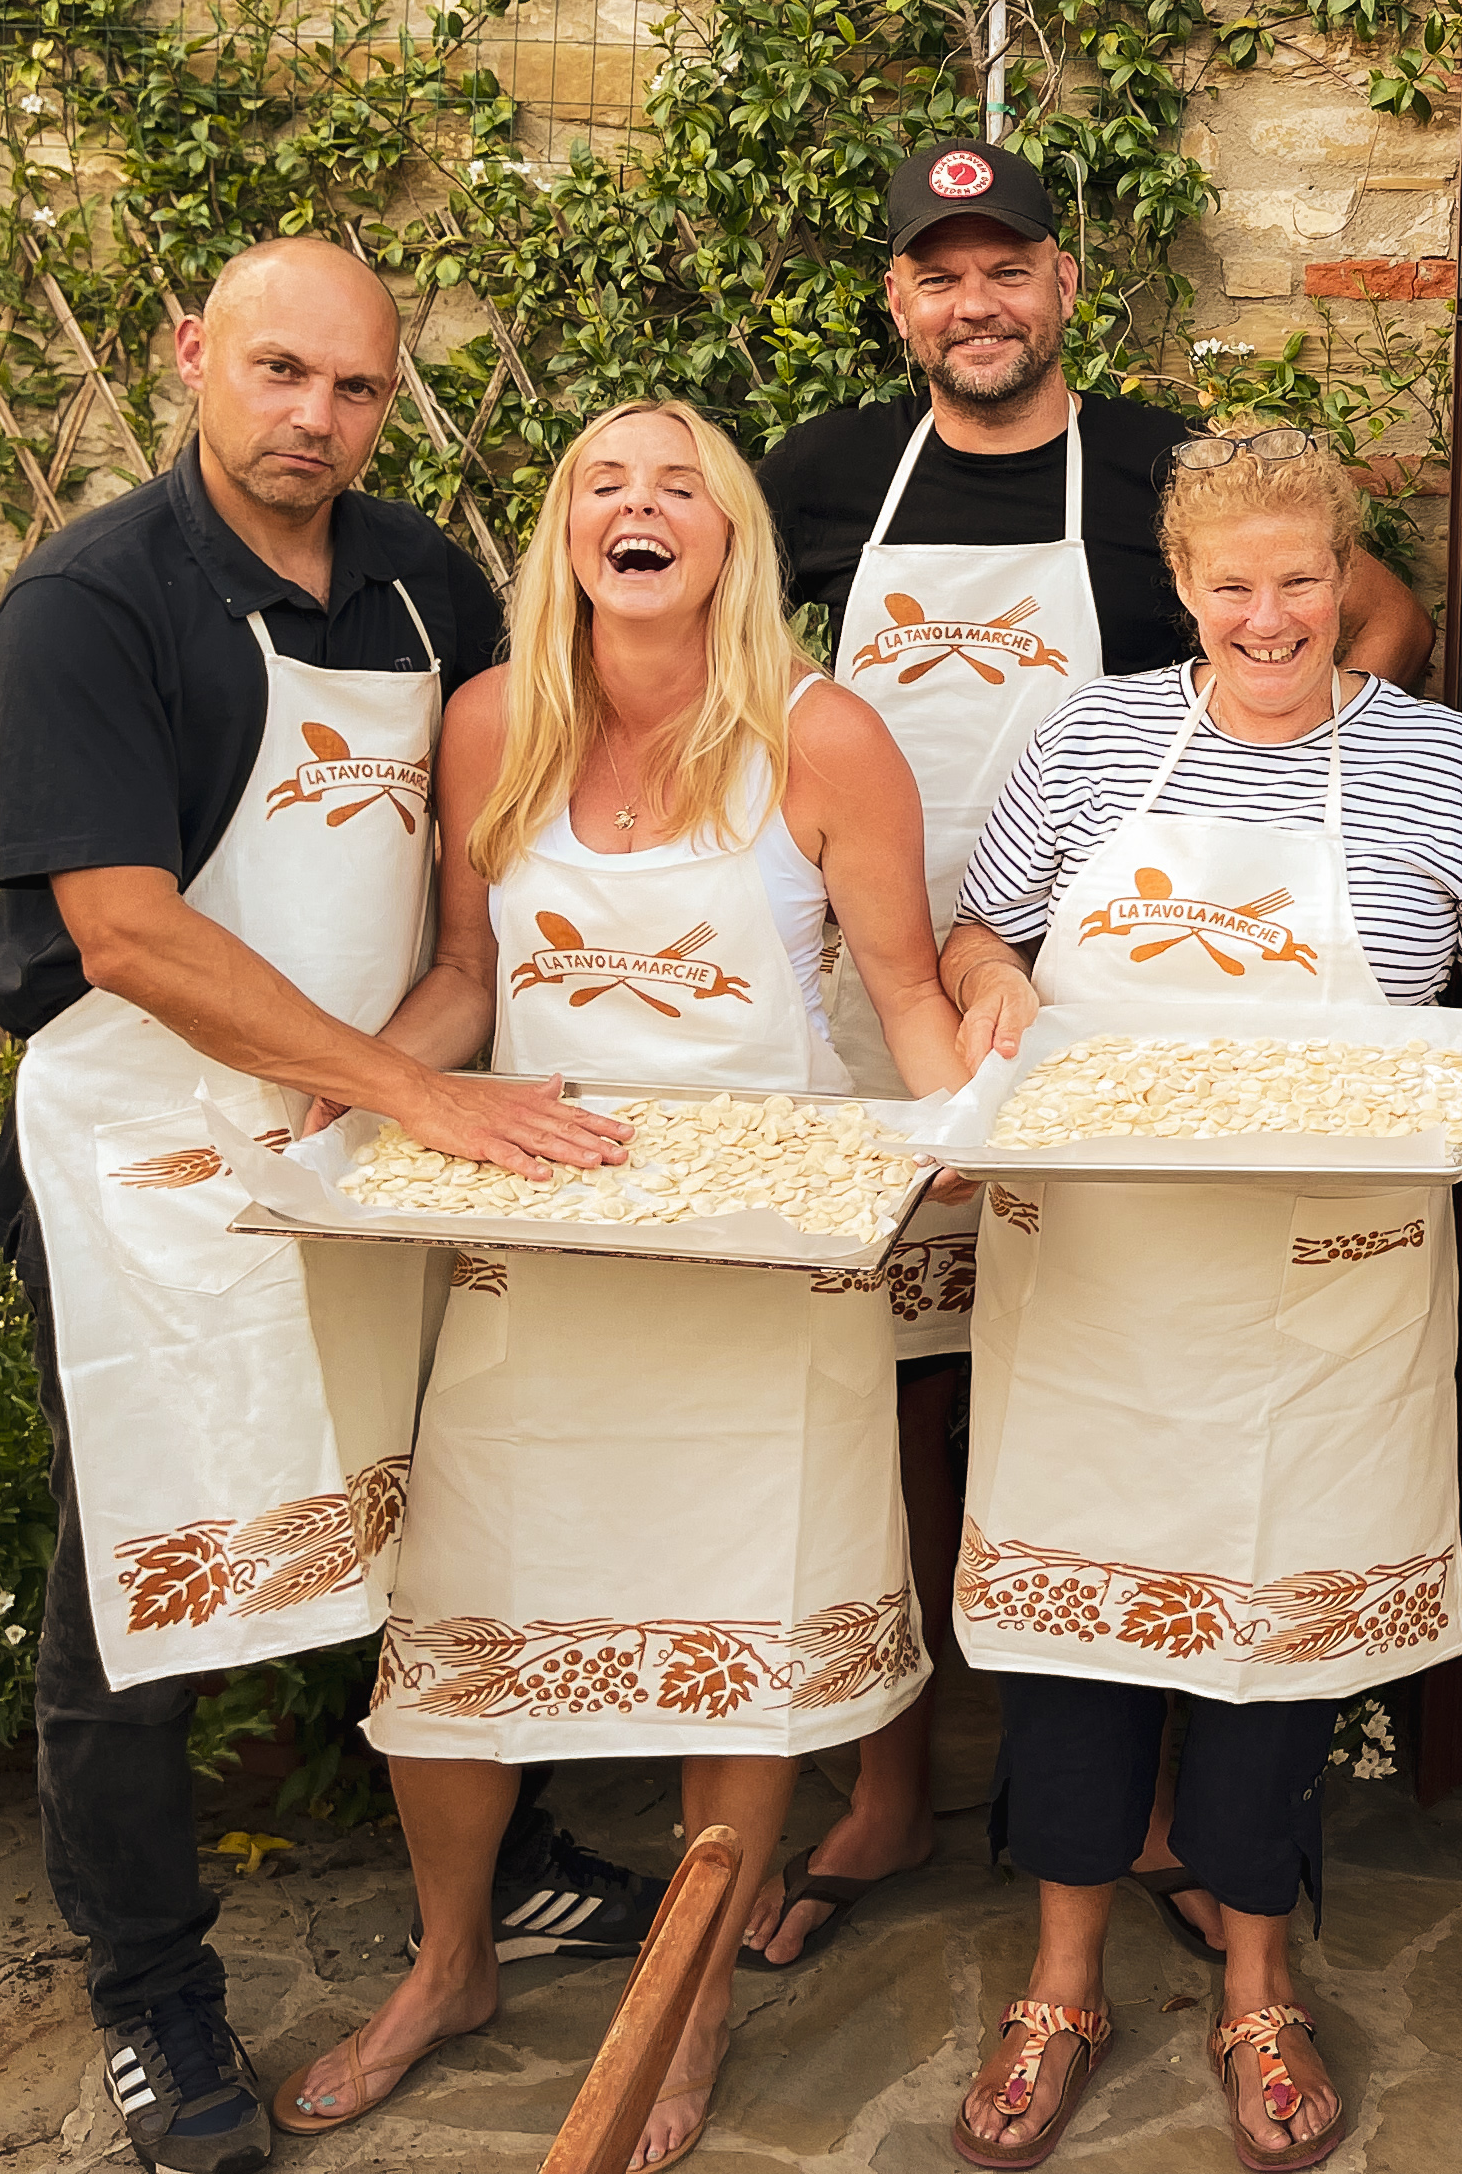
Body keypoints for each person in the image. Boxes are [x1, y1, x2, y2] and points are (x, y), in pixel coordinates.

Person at [0, 237, 641, 2174]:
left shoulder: (429, 585)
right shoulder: (91, 603)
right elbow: (126, 933)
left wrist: (416, 1086)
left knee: (423, 1508)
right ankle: (153, 1997)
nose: (316, 423)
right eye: (278, 374)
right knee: (143, 1584)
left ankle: (495, 1864)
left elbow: (486, 868)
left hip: (363, 1135)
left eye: (354, 389)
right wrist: (415, 1089)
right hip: (154, 1159)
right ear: (190, 353)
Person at [742, 139, 1437, 1969]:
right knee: (887, 1392)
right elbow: (739, 687)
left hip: (1103, 1037)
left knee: (1102, 1389)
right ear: (901, 302)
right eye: (937, 275)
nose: (975, 304)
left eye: (1008, 269)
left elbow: (1360, 634)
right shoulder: (814, 478)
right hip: (873, 998)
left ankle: (1144, 1810)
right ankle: (899, 1783)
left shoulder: (1153, 473)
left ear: (1064, 287)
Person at [275, 399, 977, 2170]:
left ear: (731, 541)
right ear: (566, 533)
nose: (641, 508)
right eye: (607, 484)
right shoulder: (496, 721)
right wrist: (359, 1080)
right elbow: (458, 975)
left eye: (681, 489)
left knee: (734, 1631)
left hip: (762, 1262)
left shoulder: (821, 738)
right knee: (470, 1623)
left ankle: (693, 1999)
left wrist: (967, 1120)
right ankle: (452, 1966)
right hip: (548, 1242)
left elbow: (899, 992)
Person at [926, 427, 1462, 2173]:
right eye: (1233, 584)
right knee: (1072, 1633)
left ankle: (1259, 1982)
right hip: (1102, 1278)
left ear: (1348, 575)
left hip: (1319, 1281)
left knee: (1272, 1637)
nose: (1270, 617)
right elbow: (981, 932)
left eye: (1303, 581)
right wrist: (988, 999)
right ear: (1182, 584)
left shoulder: (1439, 763)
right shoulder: (1095, 739)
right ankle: (1059, 1980)